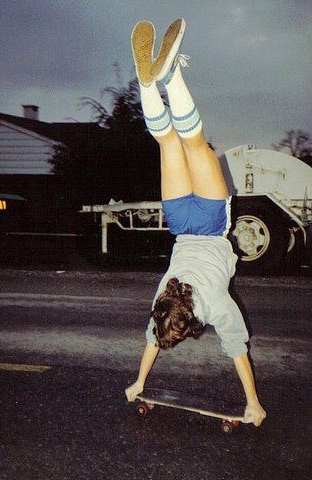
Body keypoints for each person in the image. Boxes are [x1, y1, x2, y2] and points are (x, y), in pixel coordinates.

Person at [125, 18, 266, 427]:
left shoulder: (217, 308)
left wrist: (252, 404)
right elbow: (151, 340)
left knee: (195, 141)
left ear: (191, 324)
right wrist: (137, 381)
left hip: (208, 219)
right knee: (169, 141)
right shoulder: (161, 298)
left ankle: (170, 76)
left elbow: (237, 350)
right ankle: (149, 86)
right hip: (179, 222)